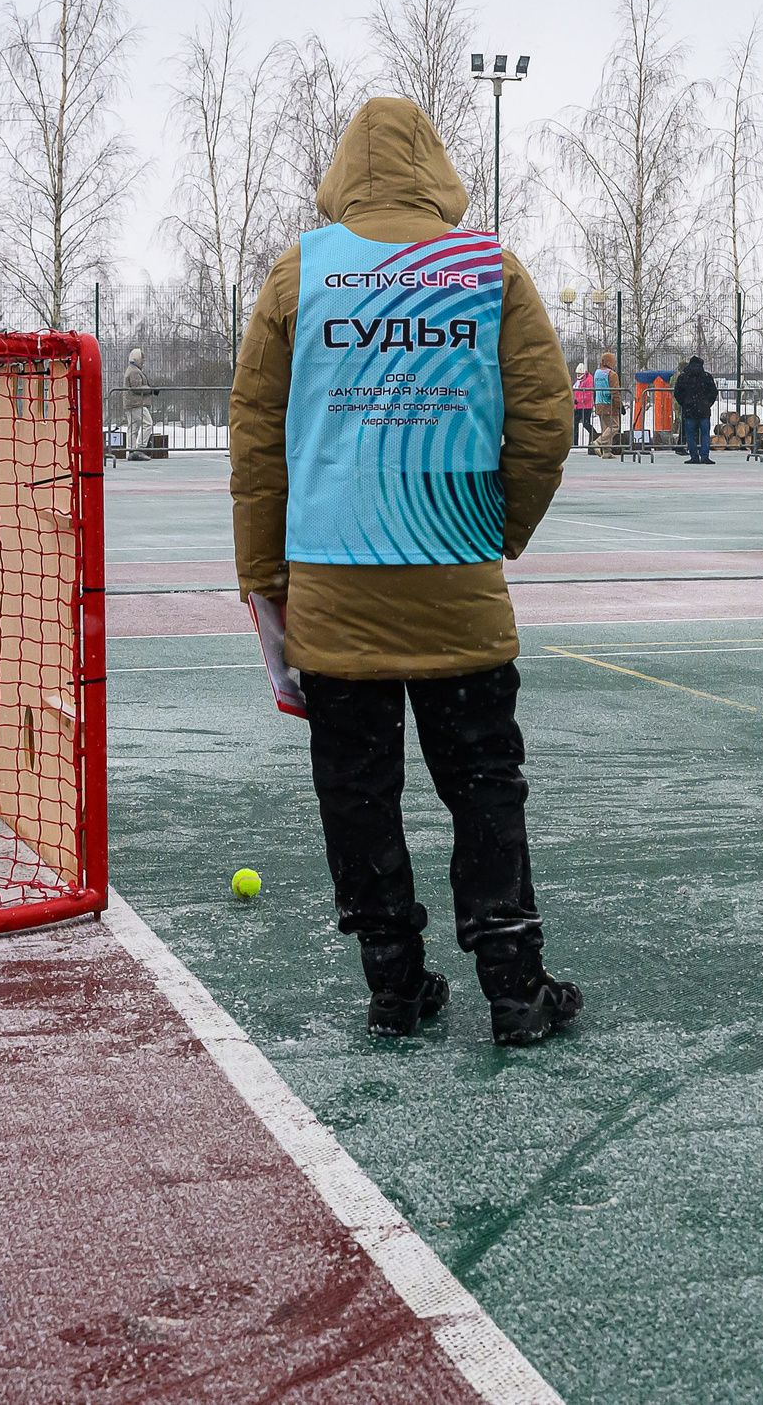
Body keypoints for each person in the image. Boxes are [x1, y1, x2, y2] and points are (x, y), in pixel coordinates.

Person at [228, 97, 581, 1045]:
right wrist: (498, 528)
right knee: (483, 783)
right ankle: (514, 984)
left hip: (333, 592)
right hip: (455, 584)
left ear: (344, 172)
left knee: (357, 788)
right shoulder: (486, 269)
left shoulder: (300, 274)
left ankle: (393, 983)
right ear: (435, 170)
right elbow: (547, 424)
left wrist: (266, 578)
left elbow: (258, 444)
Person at [673, 354, 718, 464]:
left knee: (690, 434)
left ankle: (694, 456)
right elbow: (713, 392)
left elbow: (677, 393)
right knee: (705, 434)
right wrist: (707, 404)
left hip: (689, 410)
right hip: (703, 410)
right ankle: (705, 456)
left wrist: (684, 403)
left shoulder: (683, 377)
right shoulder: (707, 377)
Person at [590, 350, 621, 454]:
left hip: (599, 403)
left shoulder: (597, 373)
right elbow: (615, 391)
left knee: (605, 428)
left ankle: (606, 452)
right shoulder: (612, 374)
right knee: (614, 426)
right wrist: (619, 405)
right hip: (609, 403)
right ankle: (598, 442)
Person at [571, 362, 594, 447]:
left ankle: (595, 437)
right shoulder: (578, 380)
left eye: (579, 373)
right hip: (577, 406)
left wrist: (579, 400)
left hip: (586, 406)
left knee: (586, 423)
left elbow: (588, 393)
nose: (578, 375)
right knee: (575, 423)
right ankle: (575, 443)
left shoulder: (589, 379)